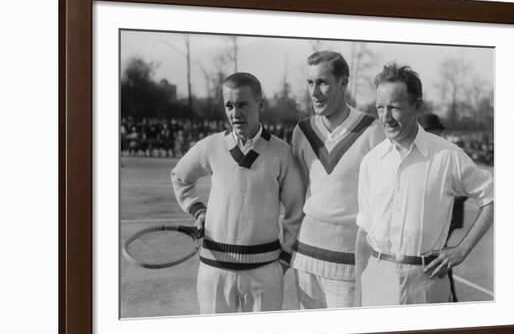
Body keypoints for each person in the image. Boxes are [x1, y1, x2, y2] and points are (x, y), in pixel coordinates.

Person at [355, 63, 494, 305]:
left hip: (426, 284)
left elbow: (494, 196)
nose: (385, 117)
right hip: (376, 282)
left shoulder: (448, 156)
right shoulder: (371, 161)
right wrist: (358, 292)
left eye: (395, 108)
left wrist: (462, 249)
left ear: (416, 106)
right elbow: (363, 232)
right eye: (380, 107)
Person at [171, 72, 305, 314]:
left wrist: (285, 257)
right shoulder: (211, 146)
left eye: (243, 104)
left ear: (260, 105)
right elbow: (180, 177)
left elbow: (296, 209)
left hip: (265, 271)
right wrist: (198, 210)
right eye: (229, 105)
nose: (235, 113)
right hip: (214, 270)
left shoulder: (281, 152)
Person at [291, 51, 385, 309]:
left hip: (348, 263)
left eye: (322, 82)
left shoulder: (372, 130)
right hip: (306, 258)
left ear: (343, 82)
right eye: (310, 83)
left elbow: (383, 201)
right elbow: (296, 195)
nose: (314, 92)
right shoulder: (302, 131)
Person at [418, 112, 466, 302]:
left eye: (438, 132)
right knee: (436, 261)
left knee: (438, 259)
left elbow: (464, 189)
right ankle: (450, 299)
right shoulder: (422, 155)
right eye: (433, 132)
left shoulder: (449, 154)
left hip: (446, 218)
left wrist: (449, 197)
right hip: (429, 222)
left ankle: (450, 300)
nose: (436, 135)